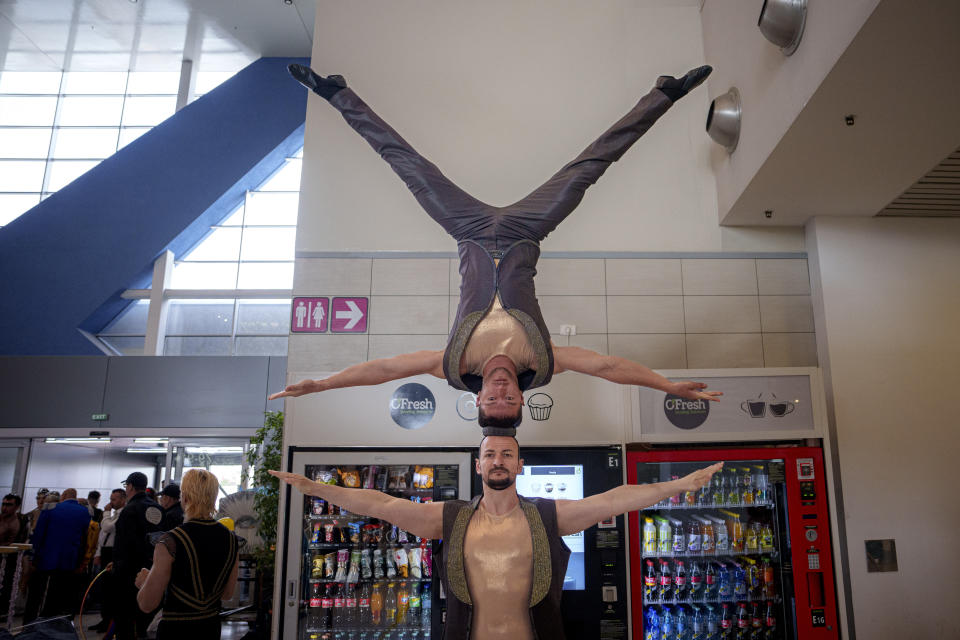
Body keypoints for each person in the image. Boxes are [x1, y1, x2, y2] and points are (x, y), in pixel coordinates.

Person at [271, 64, 722, 428]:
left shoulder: (453, 364)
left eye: (493, 399)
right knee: (589, 167)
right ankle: (666, 94)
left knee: (407, 165)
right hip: (526, 231)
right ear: (523, 398)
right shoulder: (542, 360)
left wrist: (323, 385)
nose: (502, 391)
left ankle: (336, 93)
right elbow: (607, 367)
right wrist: (667, 386)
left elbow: (385, 369)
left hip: (466, 229)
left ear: (479, 398)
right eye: (510, 399)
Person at [270, 431, 722, 640]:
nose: (499, 460)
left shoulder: (549, 517)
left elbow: (615, 498)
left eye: (508, 454)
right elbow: (383, 506)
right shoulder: (449, 518)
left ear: (520, 465)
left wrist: (678, 485)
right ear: (478, 465)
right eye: (491, 455)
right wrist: (314, 488)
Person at [135, 469, 240, 640]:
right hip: (210, 628)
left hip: (176, 629)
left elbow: (147, 604)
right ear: (213, 498)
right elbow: (227, 594)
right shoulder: (232, 540)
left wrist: (144, 582)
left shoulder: (170, 541)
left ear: (184, 498)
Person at [23, 487, 91, 623]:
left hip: (47, 559)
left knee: (39, 596)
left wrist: (33, 556)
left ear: (64, 496)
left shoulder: (50, 508)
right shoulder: (85, 512)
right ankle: (52, 625)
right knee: (60, 595)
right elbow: (84, 538)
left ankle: (31, 625)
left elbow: (39, 535)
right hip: (70, 561)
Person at [112, 472, 163, 640]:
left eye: (127, 486)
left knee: (125, 618)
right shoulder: (158, 509)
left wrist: (117, 565)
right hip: (153, 570)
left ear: (131, 486)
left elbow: (123, 543)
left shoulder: (129, 510)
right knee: (145, 616)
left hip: (128, 573)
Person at [89, 488, 126, 633]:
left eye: (114, 499)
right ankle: (104, 619)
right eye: (111, 499)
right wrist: (98, 552)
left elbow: (108, 527)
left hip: (113, 553)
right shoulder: (113, 514)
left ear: (123, 499)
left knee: (110, 589)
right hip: (104, 551)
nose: (111, 502)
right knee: (103, 589)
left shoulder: (123, 514)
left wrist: (105, 513)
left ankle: (110, 622)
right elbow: (102, 535)